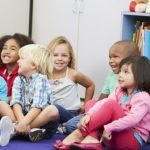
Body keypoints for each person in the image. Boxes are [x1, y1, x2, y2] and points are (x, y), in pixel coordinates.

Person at [55, 56, 150, 150]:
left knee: (111, 105)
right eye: (120, 71)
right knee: (91, 103)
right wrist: (88, 115)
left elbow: (133, 120)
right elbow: (105, 101)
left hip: (130, 141)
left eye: (125, 72)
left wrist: (109, 127)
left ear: (139, 76)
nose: (120, 74)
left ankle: (79, 134)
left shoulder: (143, 97)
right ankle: (92, 139)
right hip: (109, 137)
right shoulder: (119, 90)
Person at [63, 40, 140, 134]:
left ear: (131, 59)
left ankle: (94, 132)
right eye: (110, 57)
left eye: (115, 57)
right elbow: (103, 98)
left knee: (78, 126)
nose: (111, 61)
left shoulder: (135, 80)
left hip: (122, 117)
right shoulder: (111, 74)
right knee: (70, 124)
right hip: (105, 113)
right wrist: (90, 113)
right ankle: (95, 131)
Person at [0, 44, 55, 146]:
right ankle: (25, 130)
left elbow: (38, 106)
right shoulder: (18, 79)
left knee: (53, 110)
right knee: (1, 104)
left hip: (39, 119)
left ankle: (14, 130)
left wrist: (24, 123)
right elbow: (16, 102)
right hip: (23, 117)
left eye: (22, 58)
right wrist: (21, 121)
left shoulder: (41, 80)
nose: (18, 61)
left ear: (33, 65)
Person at [46, 36, 95, 129]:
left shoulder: (73, 74)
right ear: (48, 56)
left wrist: (86, 105)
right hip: (51, 114)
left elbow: (90, 85)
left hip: (70, 113)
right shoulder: (45, 74)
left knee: (53, 107)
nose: (59, 58)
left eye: (64, 55)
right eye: (55, 55)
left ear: (69, 58)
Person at [0, 33, 34, 100]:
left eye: (12, 49)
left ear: (23, 53)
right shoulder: (1, 70)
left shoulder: (24, 73)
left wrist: (4, 100)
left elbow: (23, 96)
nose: (7, 51)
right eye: (4, 48)